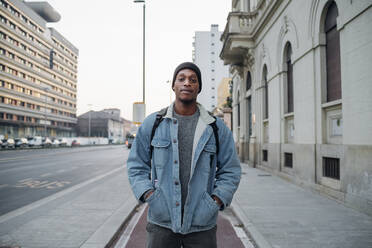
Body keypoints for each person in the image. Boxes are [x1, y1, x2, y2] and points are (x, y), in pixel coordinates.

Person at [127, 62, 241, 248]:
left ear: (199, 88)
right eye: (181, 79)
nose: (187, 83)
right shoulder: (153, 124)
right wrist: (149, 194)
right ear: (174, 86)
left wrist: (216, 199)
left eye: (193, 80)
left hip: (202, 224)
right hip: (161, 221)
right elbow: (136, 165)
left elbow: (231, 169)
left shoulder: (215, 128)